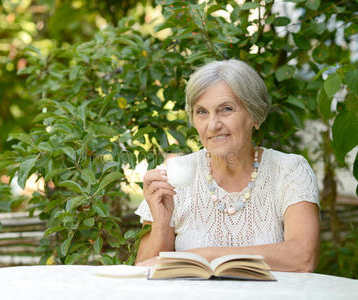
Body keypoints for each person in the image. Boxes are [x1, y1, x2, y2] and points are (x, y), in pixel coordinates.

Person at [134, 59, 320, 272]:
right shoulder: (174, 174)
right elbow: (144, 271)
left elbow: (303, 258)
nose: (213, 125)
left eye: (226, 109)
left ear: (254, 115)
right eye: (202, 112)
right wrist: (161, 223)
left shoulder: (290, 170)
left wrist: (203, 256)